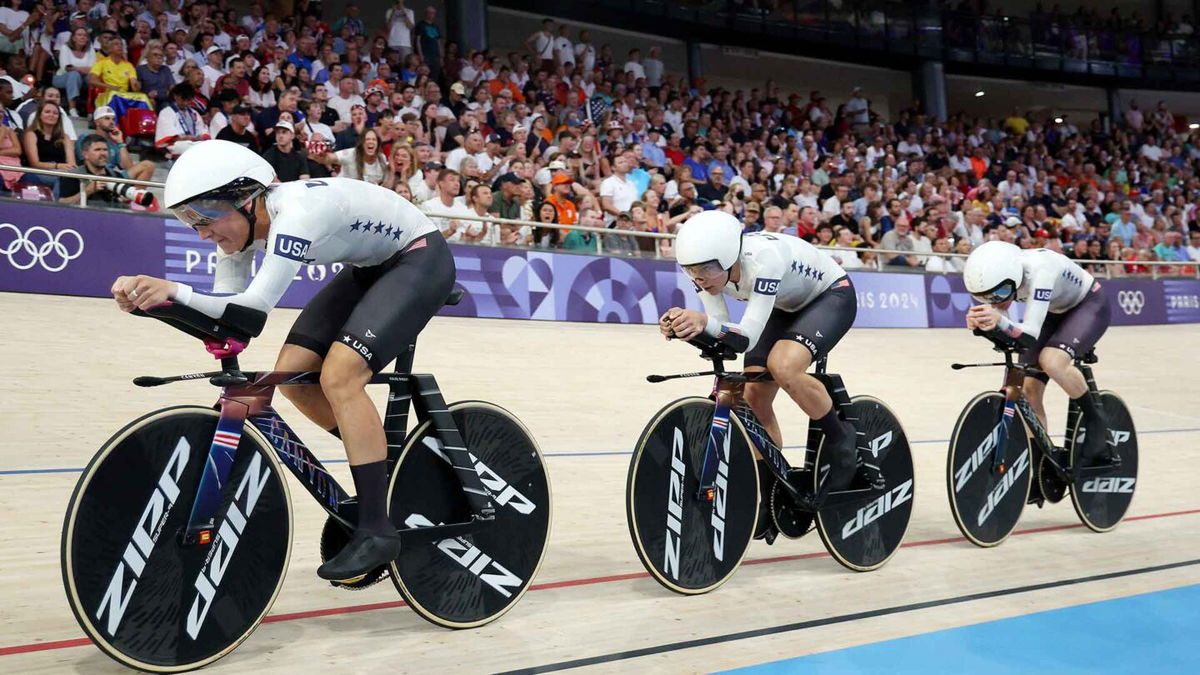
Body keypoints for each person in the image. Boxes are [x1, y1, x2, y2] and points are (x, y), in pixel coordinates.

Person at [110, 140, 454, 582]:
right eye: (188, 221)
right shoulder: (243, 231)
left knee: (340, 375)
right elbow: (228, 325)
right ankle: (390, 462)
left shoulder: (296, 214)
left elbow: (250, 313)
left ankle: (376, 528)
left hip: (419, 259)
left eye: (205, 217)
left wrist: (173, 291)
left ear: (247, 198)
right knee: (291, 379)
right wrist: (153, 305)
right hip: (369, 267)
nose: (201, 233)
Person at [659, 211, 874, 522]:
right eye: (691, 271)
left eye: (706, 269)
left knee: (783, 366)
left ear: (731, 257)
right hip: (783, 305)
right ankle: (771, 492)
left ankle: (841, 437)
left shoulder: (764, 260)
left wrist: (705, 323)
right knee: (754, 396)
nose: (699, 278)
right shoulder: (709, 271)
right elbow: (721, 329)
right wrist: (686, 327)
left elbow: (744, 337)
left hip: (830, 296)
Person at [963, 241, 1116, 466]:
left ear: (1014, 277)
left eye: (1002, 293)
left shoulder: (1040, 270)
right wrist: (983, 324)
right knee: (1028, 388)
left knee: (1052, 361)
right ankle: (1041, 460)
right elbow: (1008, 324)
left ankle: (1096, 422)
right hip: (1051, 311)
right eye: (986, 297)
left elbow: (1029, 334)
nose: (997, 301)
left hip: (1088, 305)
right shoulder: (1006, 276)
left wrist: (1000, 322)